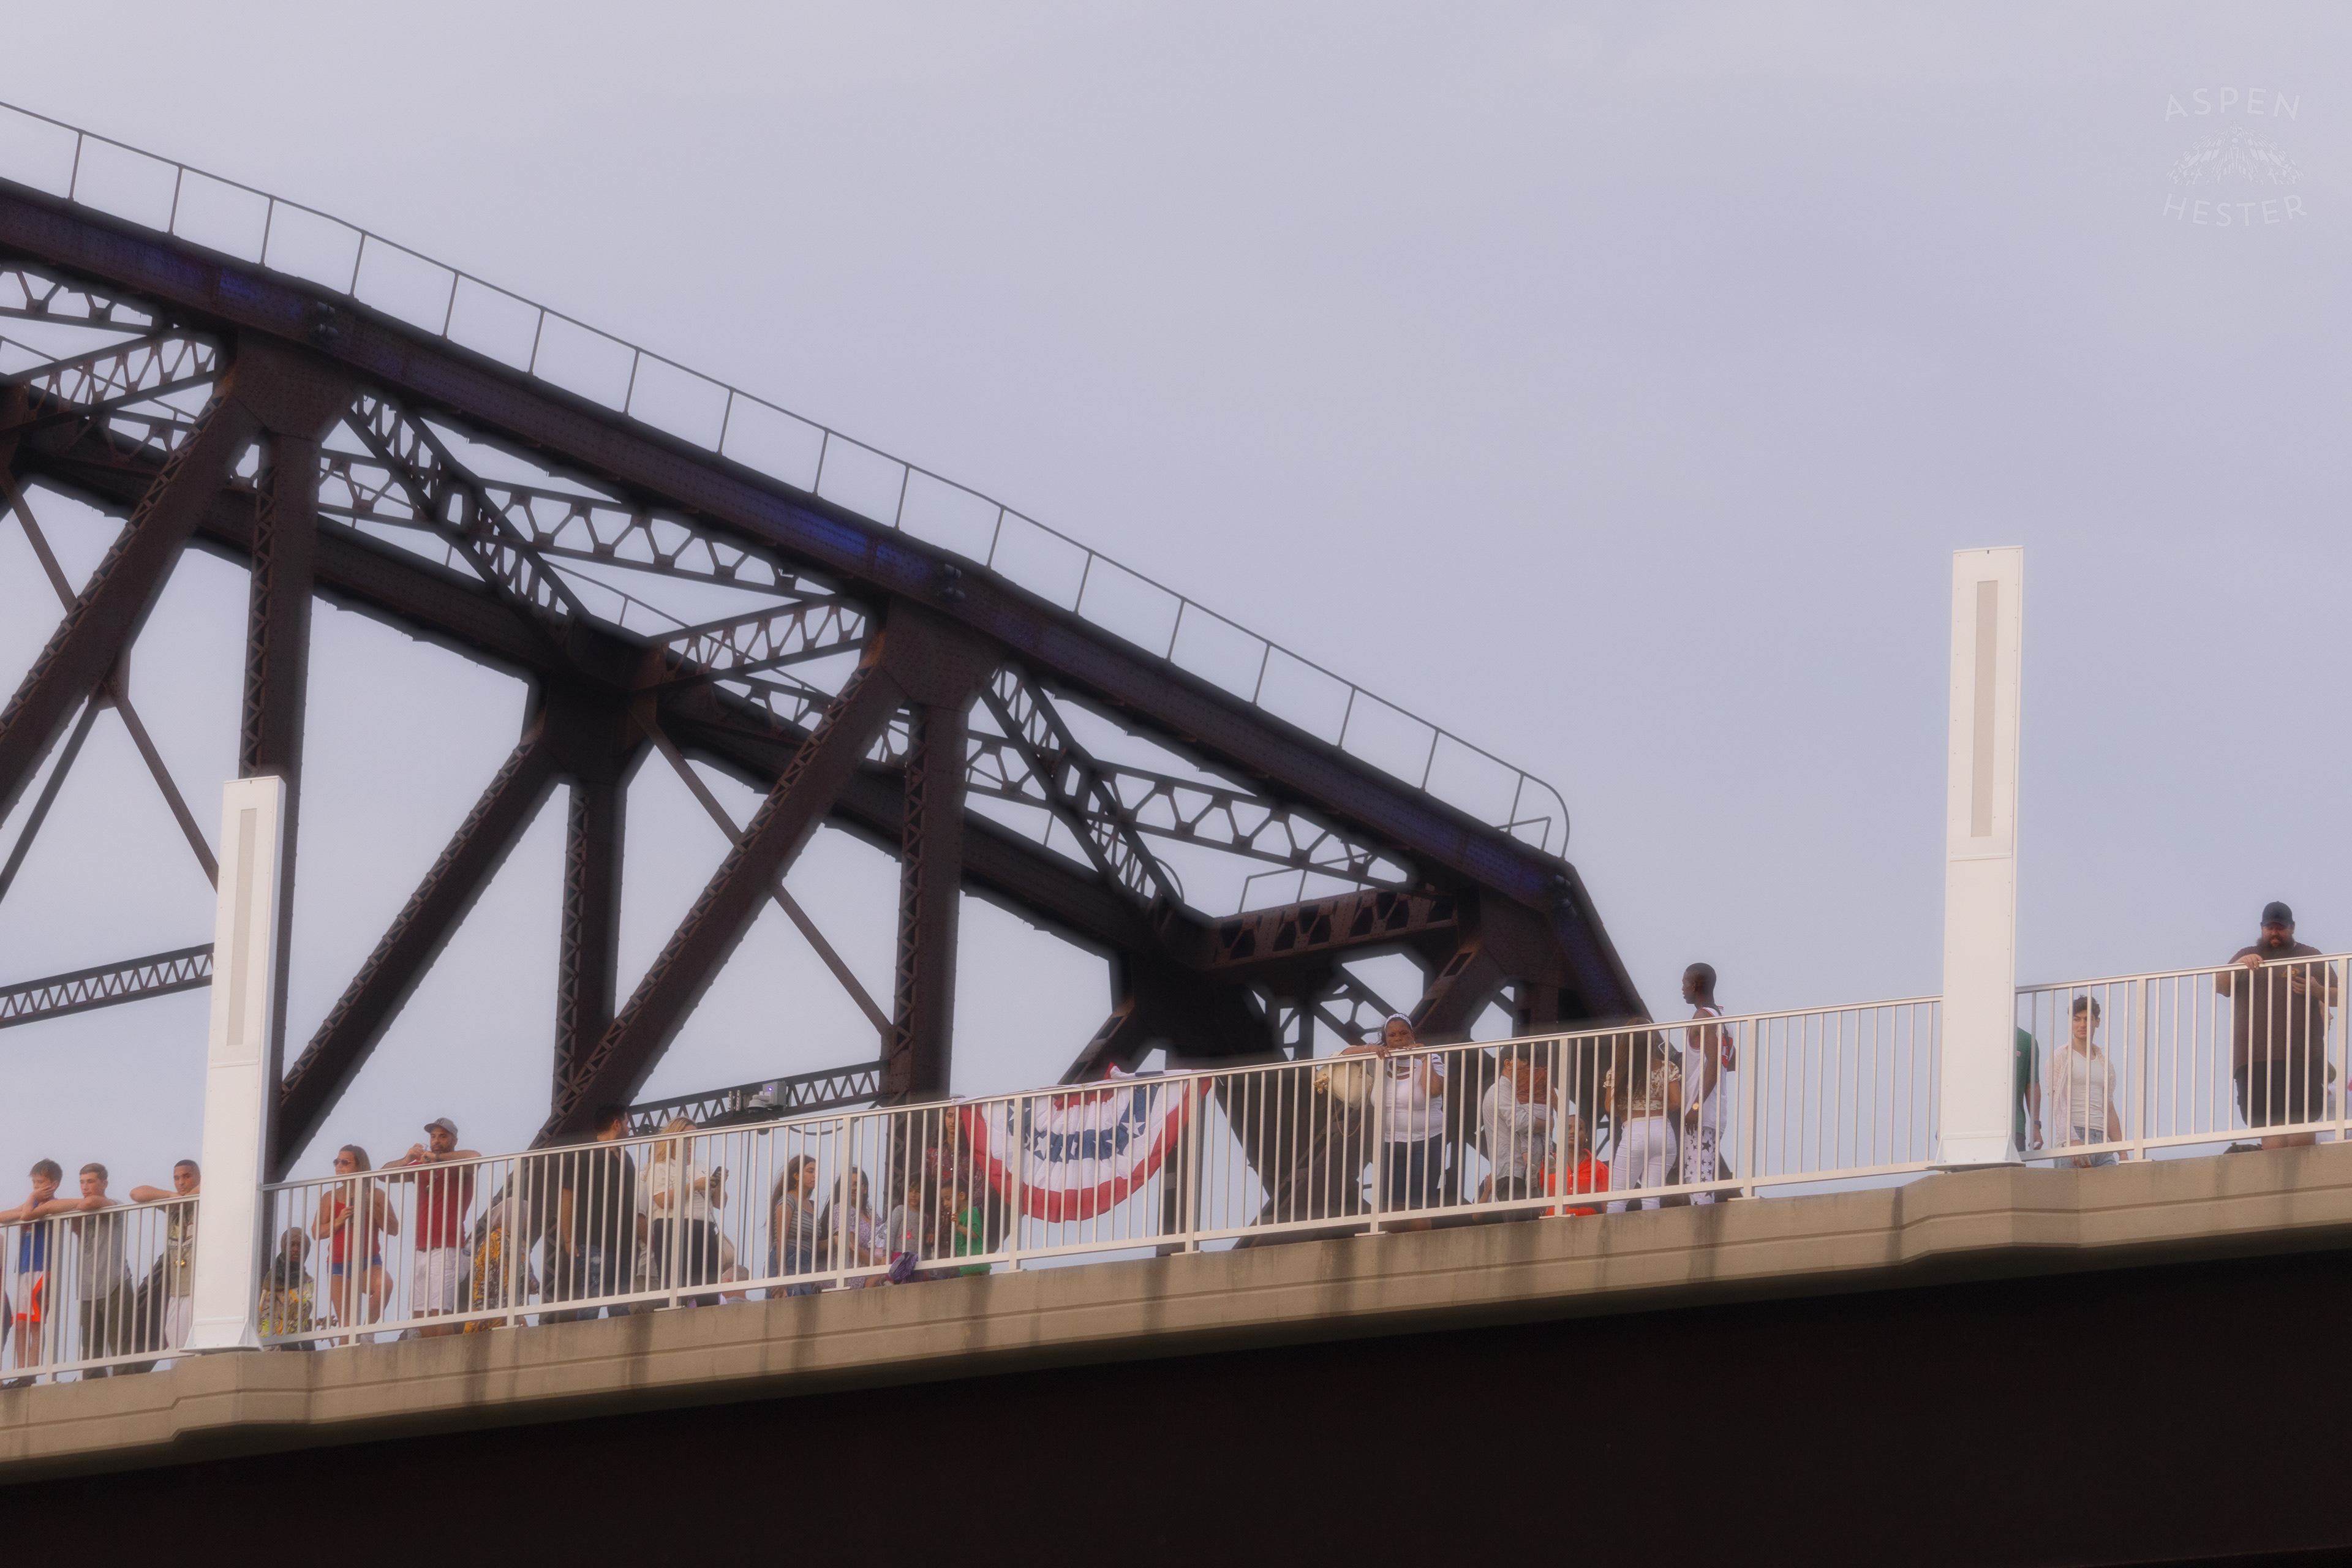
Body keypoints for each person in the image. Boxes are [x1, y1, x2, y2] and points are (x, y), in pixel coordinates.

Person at [2215, 902, 2337, 1150]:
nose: (2274, 933)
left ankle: (2303, 1184)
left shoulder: (2309, 955)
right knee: (2267, 1124)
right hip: (2255, 1058)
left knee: (2302, 1123)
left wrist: (2318, 990)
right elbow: (2221, 987)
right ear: (2262, 928)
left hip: (2303, 1056)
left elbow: (2340, 995)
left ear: (2292, 928)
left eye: (2280, 928)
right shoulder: (2247, 954)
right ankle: (2278, 1187)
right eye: (2270, 928)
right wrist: (2239, 965)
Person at [1340, 1013, 1447, 1229]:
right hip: (1389, 1142)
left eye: (1403, 1033)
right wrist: (1370, 1048)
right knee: (1389, 1207)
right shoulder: (1379, 1061)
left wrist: (1424, 1058)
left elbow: (1433, 1091)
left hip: (1425, 1141)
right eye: (1392, 1035)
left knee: (1418, 1206)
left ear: (1412, 1035)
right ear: (1386, 1039)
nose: (1398, 1039)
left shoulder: (1431, 1058)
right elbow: (1343, 1055)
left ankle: (1421, 1251)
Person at [549, 1104, 647, 1321]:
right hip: (594, 1240)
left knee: (620, 1306)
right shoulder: (584, 1155)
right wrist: (568, 1239)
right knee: (591, 1303)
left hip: (625, 1243)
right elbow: (568, 1196)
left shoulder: (626, 1158)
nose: (629, 1128)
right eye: (627, 1123)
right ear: (616, 1124)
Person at [388, 1118, 478, 1337]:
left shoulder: (459, 1164)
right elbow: (383, 1176)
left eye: (443, 1136)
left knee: (440, 1312)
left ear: (454, 1141)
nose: (436, 1141)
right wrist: (407, 1158)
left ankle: (446, 1364)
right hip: (422, 1248)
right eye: (433, 1136)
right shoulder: (421, 1165)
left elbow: (476, 1157)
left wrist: (437, 1158)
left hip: (447, 1247)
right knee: (420, 1315)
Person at [312, 1145, 398, 1341]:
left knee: (385, 1285)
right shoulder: (330, 1197)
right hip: (338, 1265)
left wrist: (372, 1207)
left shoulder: (376, 1194)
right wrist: (338, 1220)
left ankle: (367, 1331)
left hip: (369, 1262)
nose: (339, 1167)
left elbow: (394, 1229)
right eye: (337, 1162)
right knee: (346, 1331)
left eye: (345, 1162)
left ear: (360, 1167)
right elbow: (317, 1232)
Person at [1603, 1019, 1682, 1212]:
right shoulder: (1667, 1067)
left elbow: (1609, 1107)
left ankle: (1612, 1242)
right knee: (1651, 1199)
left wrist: (1628, 1109)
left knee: (1618, 1199)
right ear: (1653, 1039)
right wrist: (1655, 1106)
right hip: (1664, 1133)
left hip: (1635, 1132)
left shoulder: (1618, 1071)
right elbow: (1676, 1102)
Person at [58, 1164, 129, 1374]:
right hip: (88, 1288)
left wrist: (75, 1207)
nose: (85, 1187)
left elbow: (91, 1202)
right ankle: (92, 1386)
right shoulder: (82, 1209)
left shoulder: (113, 1204)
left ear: (104, 1184)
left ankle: (124, 1386)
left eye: (90, 1181)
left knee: (121, 1346)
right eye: (82, 1182)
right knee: (90, 1349)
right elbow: (59, 1209)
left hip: (115, 1283)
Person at [126, 1160, 199, 1363]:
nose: (181, 1182)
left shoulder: (205, 1198)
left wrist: (190, 1197)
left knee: (198, 1346)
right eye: (177, 1178)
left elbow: (217, 1181)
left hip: (198, 1286)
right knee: (177, 1346)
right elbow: (136, 1193)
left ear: (197, 1176)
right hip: (176, 1289)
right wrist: (170, 1196)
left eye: (187, 1176)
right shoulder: (172, 1205)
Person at [646, 1115, 724, 1305]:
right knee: (674, 1285)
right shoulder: (659, 1168)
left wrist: (720, 1183)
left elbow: (720, 1203)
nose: (691, 1143)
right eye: (687, 1137)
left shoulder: (703, 1166)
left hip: (703, 1227)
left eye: (695, 1137)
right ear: (674, 1138)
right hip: (672, 1226)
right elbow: (662, 1200)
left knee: (708, 1285)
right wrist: (694, 1186)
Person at [0, 1159, 64, 1381]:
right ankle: (21, 1372)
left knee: (35, 1324)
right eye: (34, 1183)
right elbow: (6, 1215)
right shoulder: (32, 1203)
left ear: (53, 1185)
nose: (36, 1188)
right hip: (24, 1268)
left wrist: (31, 1200)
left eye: (41, 1183)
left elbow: (26, 1215)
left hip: (42, 1268)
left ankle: (32, 1372)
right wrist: (30, 1201)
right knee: (20, 1323)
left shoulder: (51, 1205)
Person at [2046, 997, 2128, 1168]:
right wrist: (2073, 1140)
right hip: (2074, 1136)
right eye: (2077, 1019)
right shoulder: (2061, 1056)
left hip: (2102, 1140)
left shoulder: (2104, 1062)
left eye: (2087, 1019)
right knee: (2072, 1195)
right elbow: (2057, 1103)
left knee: (2114, 1193)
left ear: (2097, 1022)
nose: (2082, 1024)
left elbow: (2110, 1108)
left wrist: (2123, 1150)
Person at [1679, 963, 1736, 1203]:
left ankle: (1701, 1234)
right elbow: (1730, 1063)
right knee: (1703, 1176)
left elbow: (1713, 1063)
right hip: (1715, 1108)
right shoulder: (1724, 1018)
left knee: (1698, 1181)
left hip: (1702, 1111)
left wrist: (1694, 1106)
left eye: (1684, 983)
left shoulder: (1703, 1016)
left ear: (1695, 985)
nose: (1681, 988)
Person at [1477, 1042, 1553, 1213]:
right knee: (1520, 1235)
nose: (1530, 1070)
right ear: (1508, 1063)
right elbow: (1520, 1121)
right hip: (1512, 1175)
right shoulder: (1501, 1090)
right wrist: (1547, 1124)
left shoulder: (1516, 1091)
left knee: (1528, 1234)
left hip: (1524, 1175)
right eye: (1525, 1062)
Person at [818, 1167, 881, 1286]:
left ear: (865, 1189)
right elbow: (850, 1248)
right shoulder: (841, 1209)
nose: (853, 1188)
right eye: (849, 1184)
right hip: (848, 1276)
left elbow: (883, 1242)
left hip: (870, 1271)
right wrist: (878, 1263)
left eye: (857, 1184)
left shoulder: (873, 1215)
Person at [770, 1155, 820, 1297]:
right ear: (796, 1175)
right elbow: (781, 1239)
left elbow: (812, 1243)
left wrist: (834, 1241)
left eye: (816, 1172)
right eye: (810, 1171)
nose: (815, 1176)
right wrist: (782, 1274)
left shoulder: (811, 1205)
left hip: (806, 1264)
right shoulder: (788, 1201)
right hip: (788, 1260)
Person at [1545, 1118, 1611, 1218]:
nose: (1573, 1132)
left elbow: (1607, 1206)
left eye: (1579, 1129)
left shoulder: (1599, 1168)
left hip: (1588, 1221)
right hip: (1553, 1220)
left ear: (1586, 1135)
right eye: (1568, 1128)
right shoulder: (1548, 1163)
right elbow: (1533, 1192)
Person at [259, 1228, 317, 1342]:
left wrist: (317, 1322)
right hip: (278, 1344)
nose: (296, 1249)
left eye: (300, 1246)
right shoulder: (275, 1278)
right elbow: (264, 1316)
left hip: (300, 1344)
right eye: (292, 1245)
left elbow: (299, 1318)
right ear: (284, 1247)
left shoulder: (309, 1282)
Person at [2014, 1026, 2043, 1158]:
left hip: (2015, 1128)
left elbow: (2032, 1086)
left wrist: (2036, 1127)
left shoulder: (2026, 1040)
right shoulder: (1972, 1035)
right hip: (1970, 1128)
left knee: (2015, 1178)